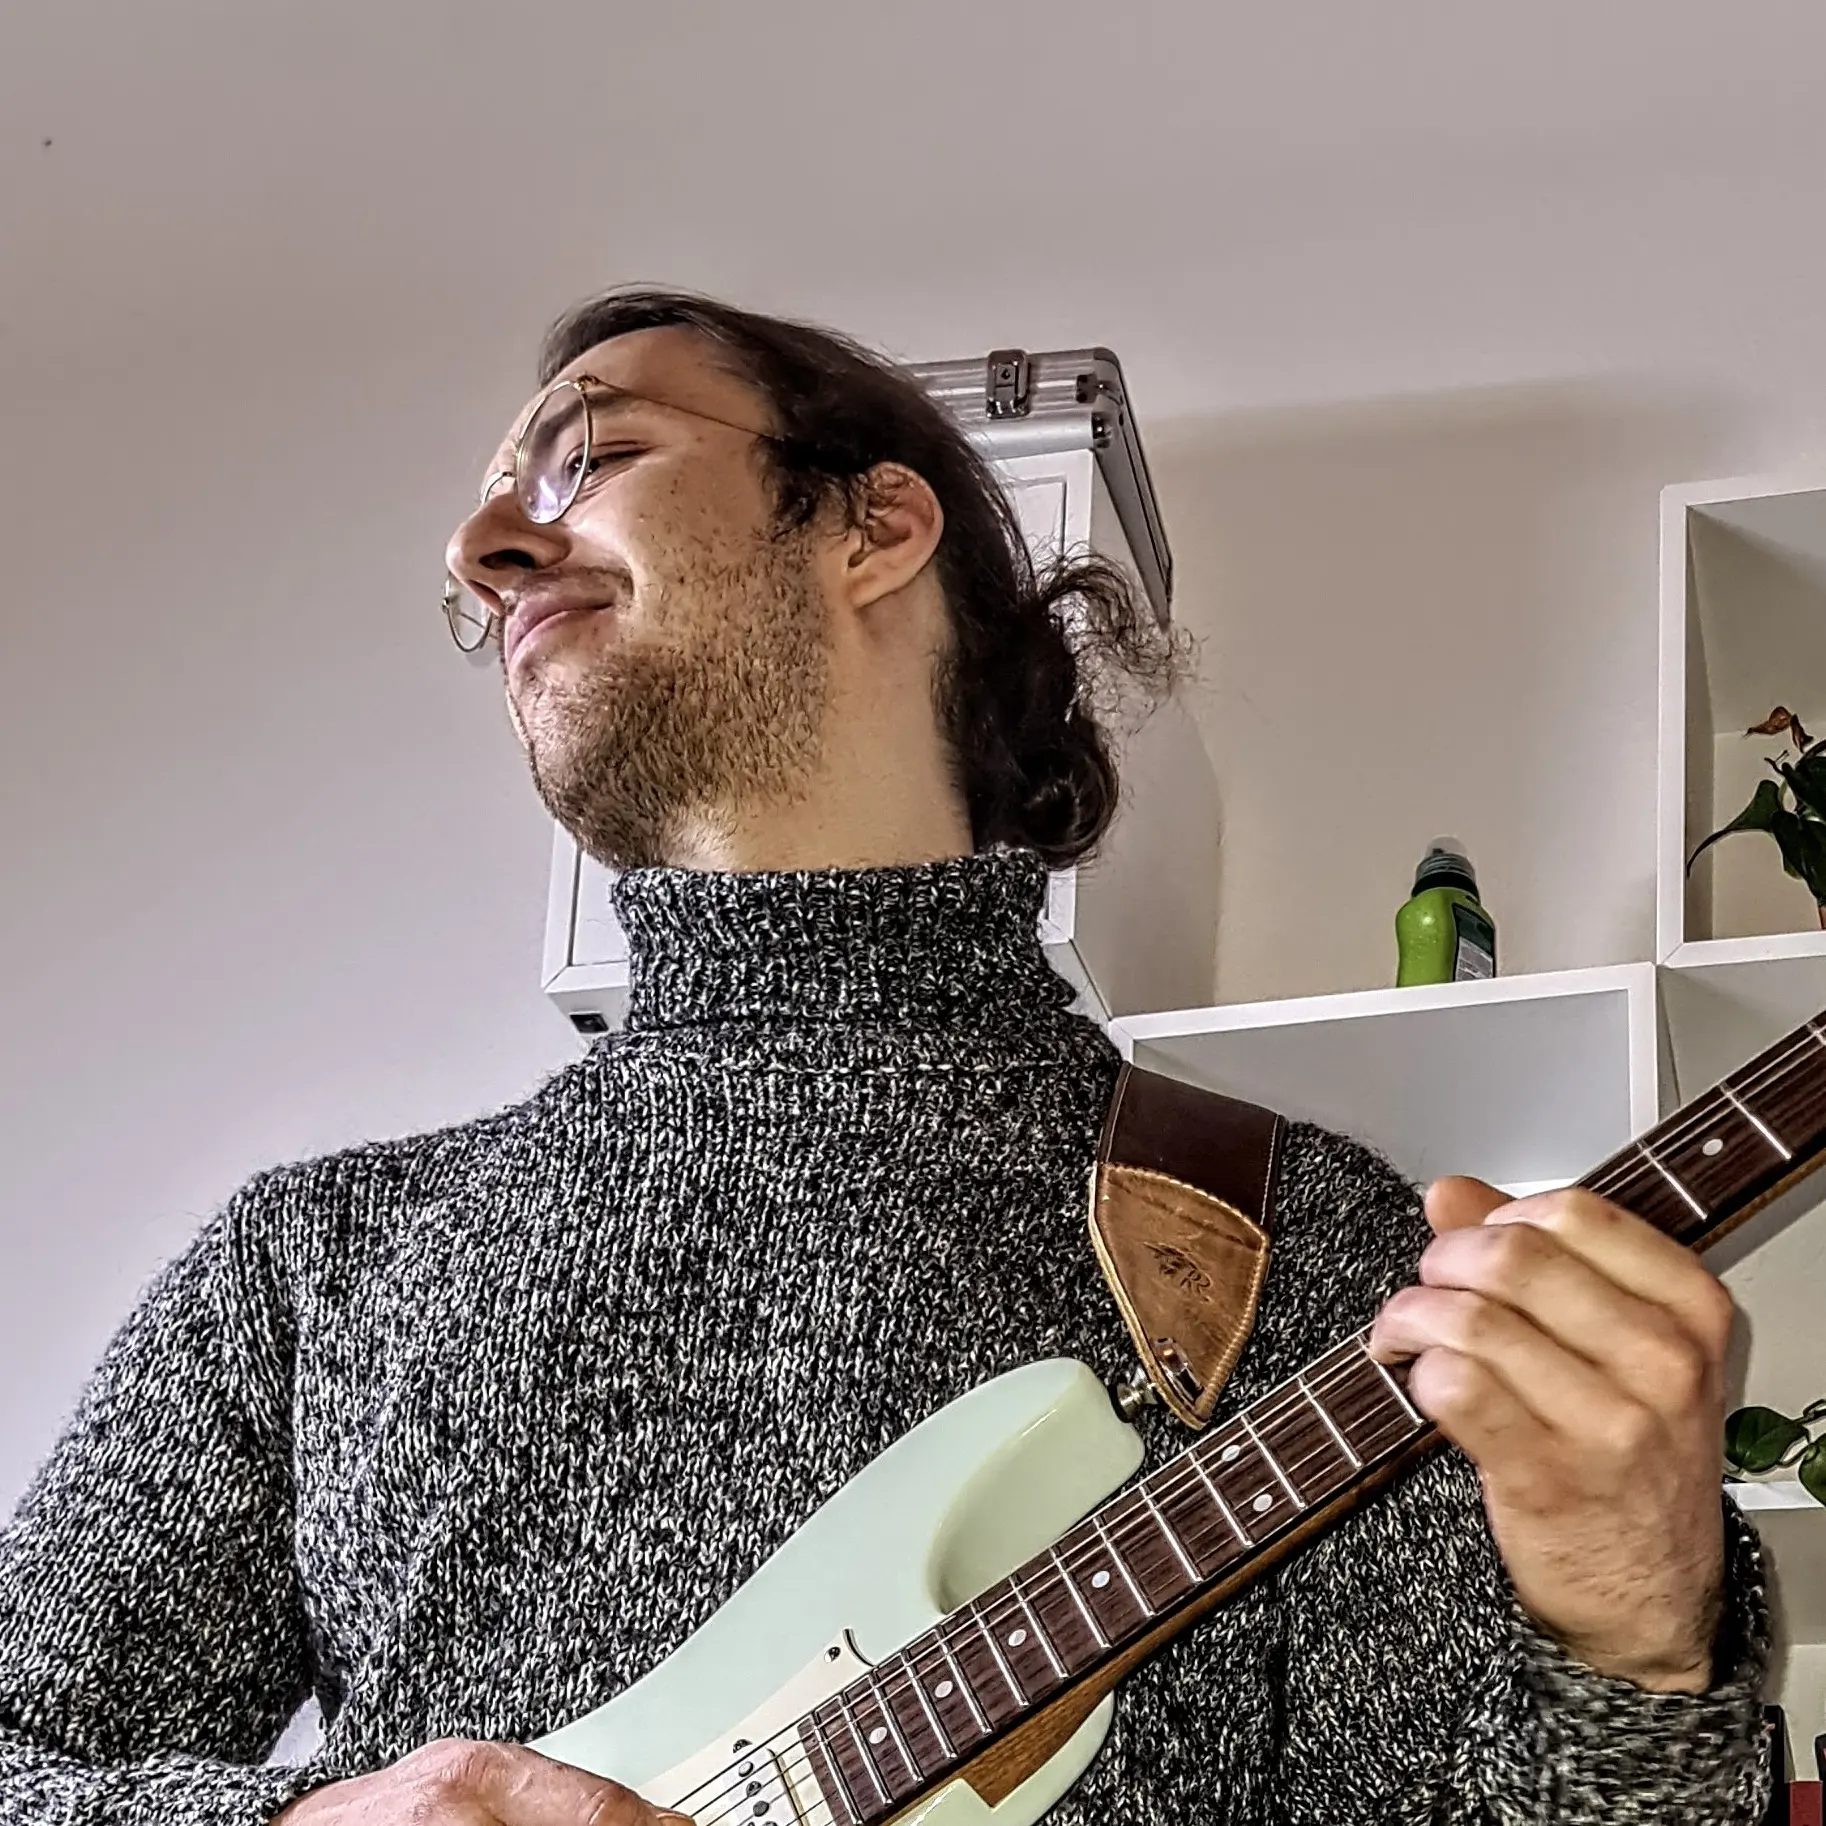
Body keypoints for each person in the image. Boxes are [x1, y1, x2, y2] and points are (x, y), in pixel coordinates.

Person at [0, 288, 1771, 1826]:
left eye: (584, 455)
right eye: (479, 523)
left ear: (873, 523)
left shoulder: (1293, 1239)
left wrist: (1639, 1632)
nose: (483, 550)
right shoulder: (312, 1262)